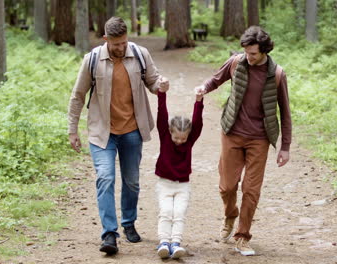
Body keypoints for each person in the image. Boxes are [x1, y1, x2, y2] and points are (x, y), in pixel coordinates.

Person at [67, 17, 169, 255]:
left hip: (132, 130)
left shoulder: (140, 55)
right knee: (105, 178)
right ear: (106, 40)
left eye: (124, 42)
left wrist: (161, 85)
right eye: (116, 44)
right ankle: (109, 233)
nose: (121, 48)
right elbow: (78, 95)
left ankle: (129, 223)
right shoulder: (92, 60)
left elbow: (152, 82)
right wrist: (72, 129)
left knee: (131, 181)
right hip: (102, 132)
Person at [195, 26, 292, 256]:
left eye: (254, 54)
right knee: (227, 186)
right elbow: (216, 79)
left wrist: (285, 147)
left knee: (251, 189)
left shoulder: (277, 74)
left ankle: (242, 236)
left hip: (259, 139)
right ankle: (230, 215)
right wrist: (203, 88)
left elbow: (285, 112)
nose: (249, 57)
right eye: (247, 52)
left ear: (265, 51)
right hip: (232, 133)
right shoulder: (236, 62)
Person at [154, 84, 204, 259]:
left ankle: (175, 243)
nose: (180, 141)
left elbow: (197, 123)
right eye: (176, 137)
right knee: (166, 212)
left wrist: (199, 101)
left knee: (179, 213)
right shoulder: (165, 136)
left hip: (183, 185)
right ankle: (163, 242)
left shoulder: (189, 141)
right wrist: (162, 93)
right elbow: (162, 115)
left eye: (183, 138)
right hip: (164, 184)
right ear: (170, 132)